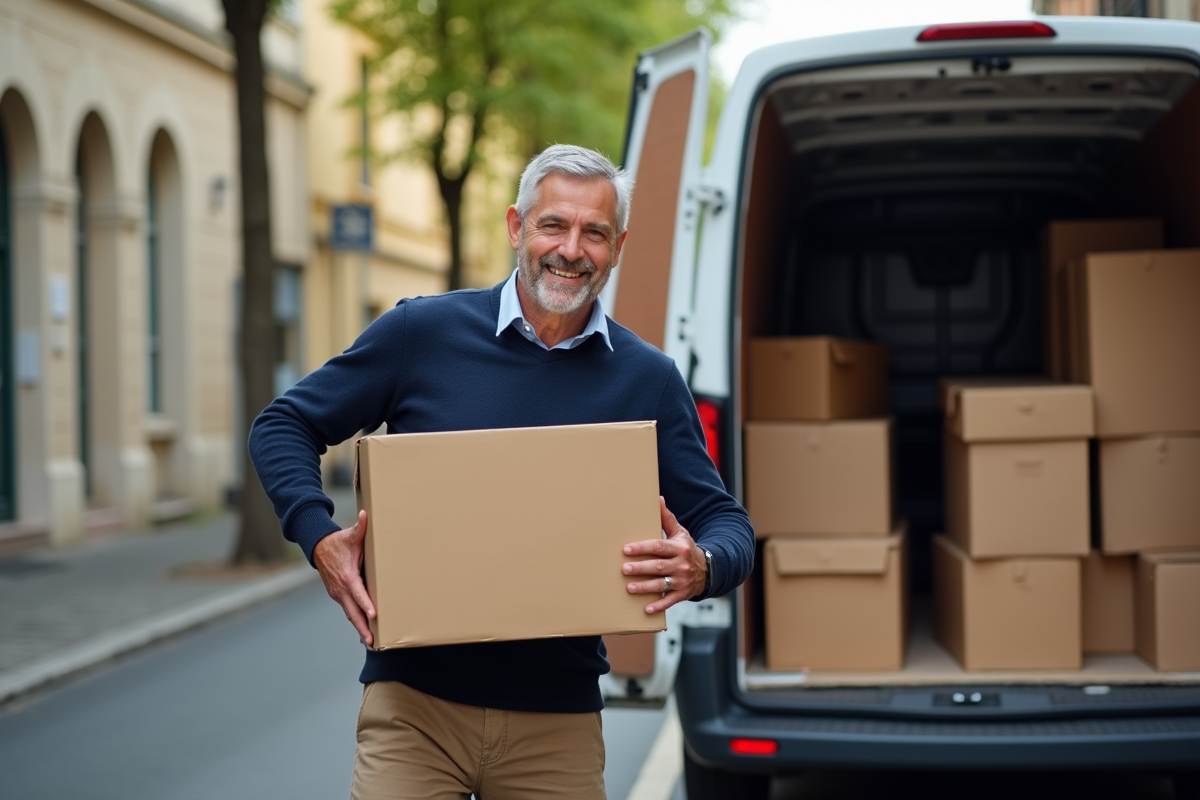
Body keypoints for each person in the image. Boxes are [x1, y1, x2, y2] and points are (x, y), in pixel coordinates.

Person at [249, 144, 754, 799]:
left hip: (558, 728)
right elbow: (283, 425)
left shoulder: (647, 379)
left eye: (594, 232)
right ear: (518, 227)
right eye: (554, 225)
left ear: (617, 246)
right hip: (414, 711)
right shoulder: (420, 334)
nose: (571, 249)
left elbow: (728, 523)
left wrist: (702, 564)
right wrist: (318, 535)